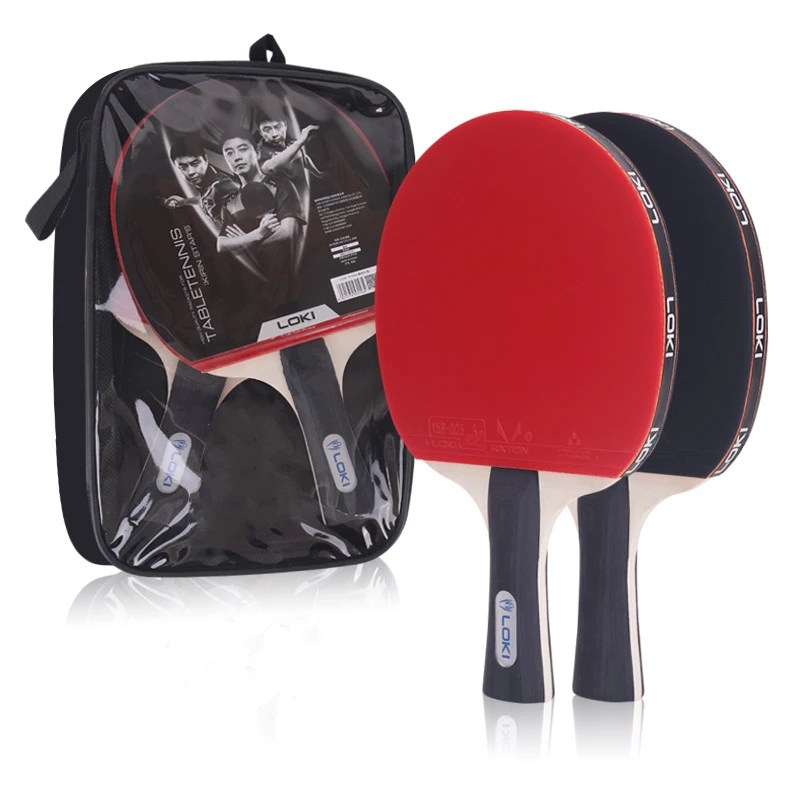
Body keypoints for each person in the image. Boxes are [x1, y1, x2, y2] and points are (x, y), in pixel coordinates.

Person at [215, 129, 307, 308]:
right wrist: (258, 234)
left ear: (257, 153)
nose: (237, 157)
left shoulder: (281, 184)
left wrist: (243, 242)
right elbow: (222, 245)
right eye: (229, 153)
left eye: (242, 149)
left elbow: (288, 231)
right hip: (254, 293)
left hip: (291, 287)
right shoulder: (230, 201)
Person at [163, 136, 238, 222]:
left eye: (195, 164)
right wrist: (184, 201)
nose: (191, 172)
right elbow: (207, 198)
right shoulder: (209, 187)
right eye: (183, 167)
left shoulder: (223, 186)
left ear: (206, 160)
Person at [256, 117, 322, 183]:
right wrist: (300, 142)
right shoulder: (259, 152)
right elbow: (270, 167)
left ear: (285, 125)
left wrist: (319, 174)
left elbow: (303, 158)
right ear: (260, 132)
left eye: (278, 127)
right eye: (267, 130)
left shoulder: (292, 143)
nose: (274, 134)